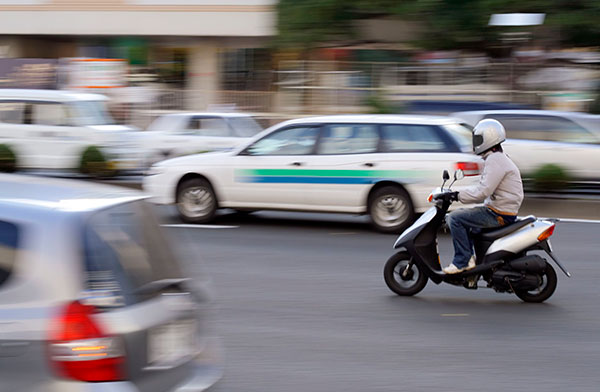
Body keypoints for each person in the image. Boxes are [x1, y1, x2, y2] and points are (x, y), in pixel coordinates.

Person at [443, 119, 524, 274]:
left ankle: (462, 262)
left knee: (454, 218)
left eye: (477, 139)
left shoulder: (495, 160)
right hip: (499, 209)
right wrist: (457, 193)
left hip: (498, 213)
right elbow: (482, 187)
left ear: (488, 139)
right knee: (467, 222)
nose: (475, 143)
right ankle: (472, 263)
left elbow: (482, 192)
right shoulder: (497, 158)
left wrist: (457, 196)